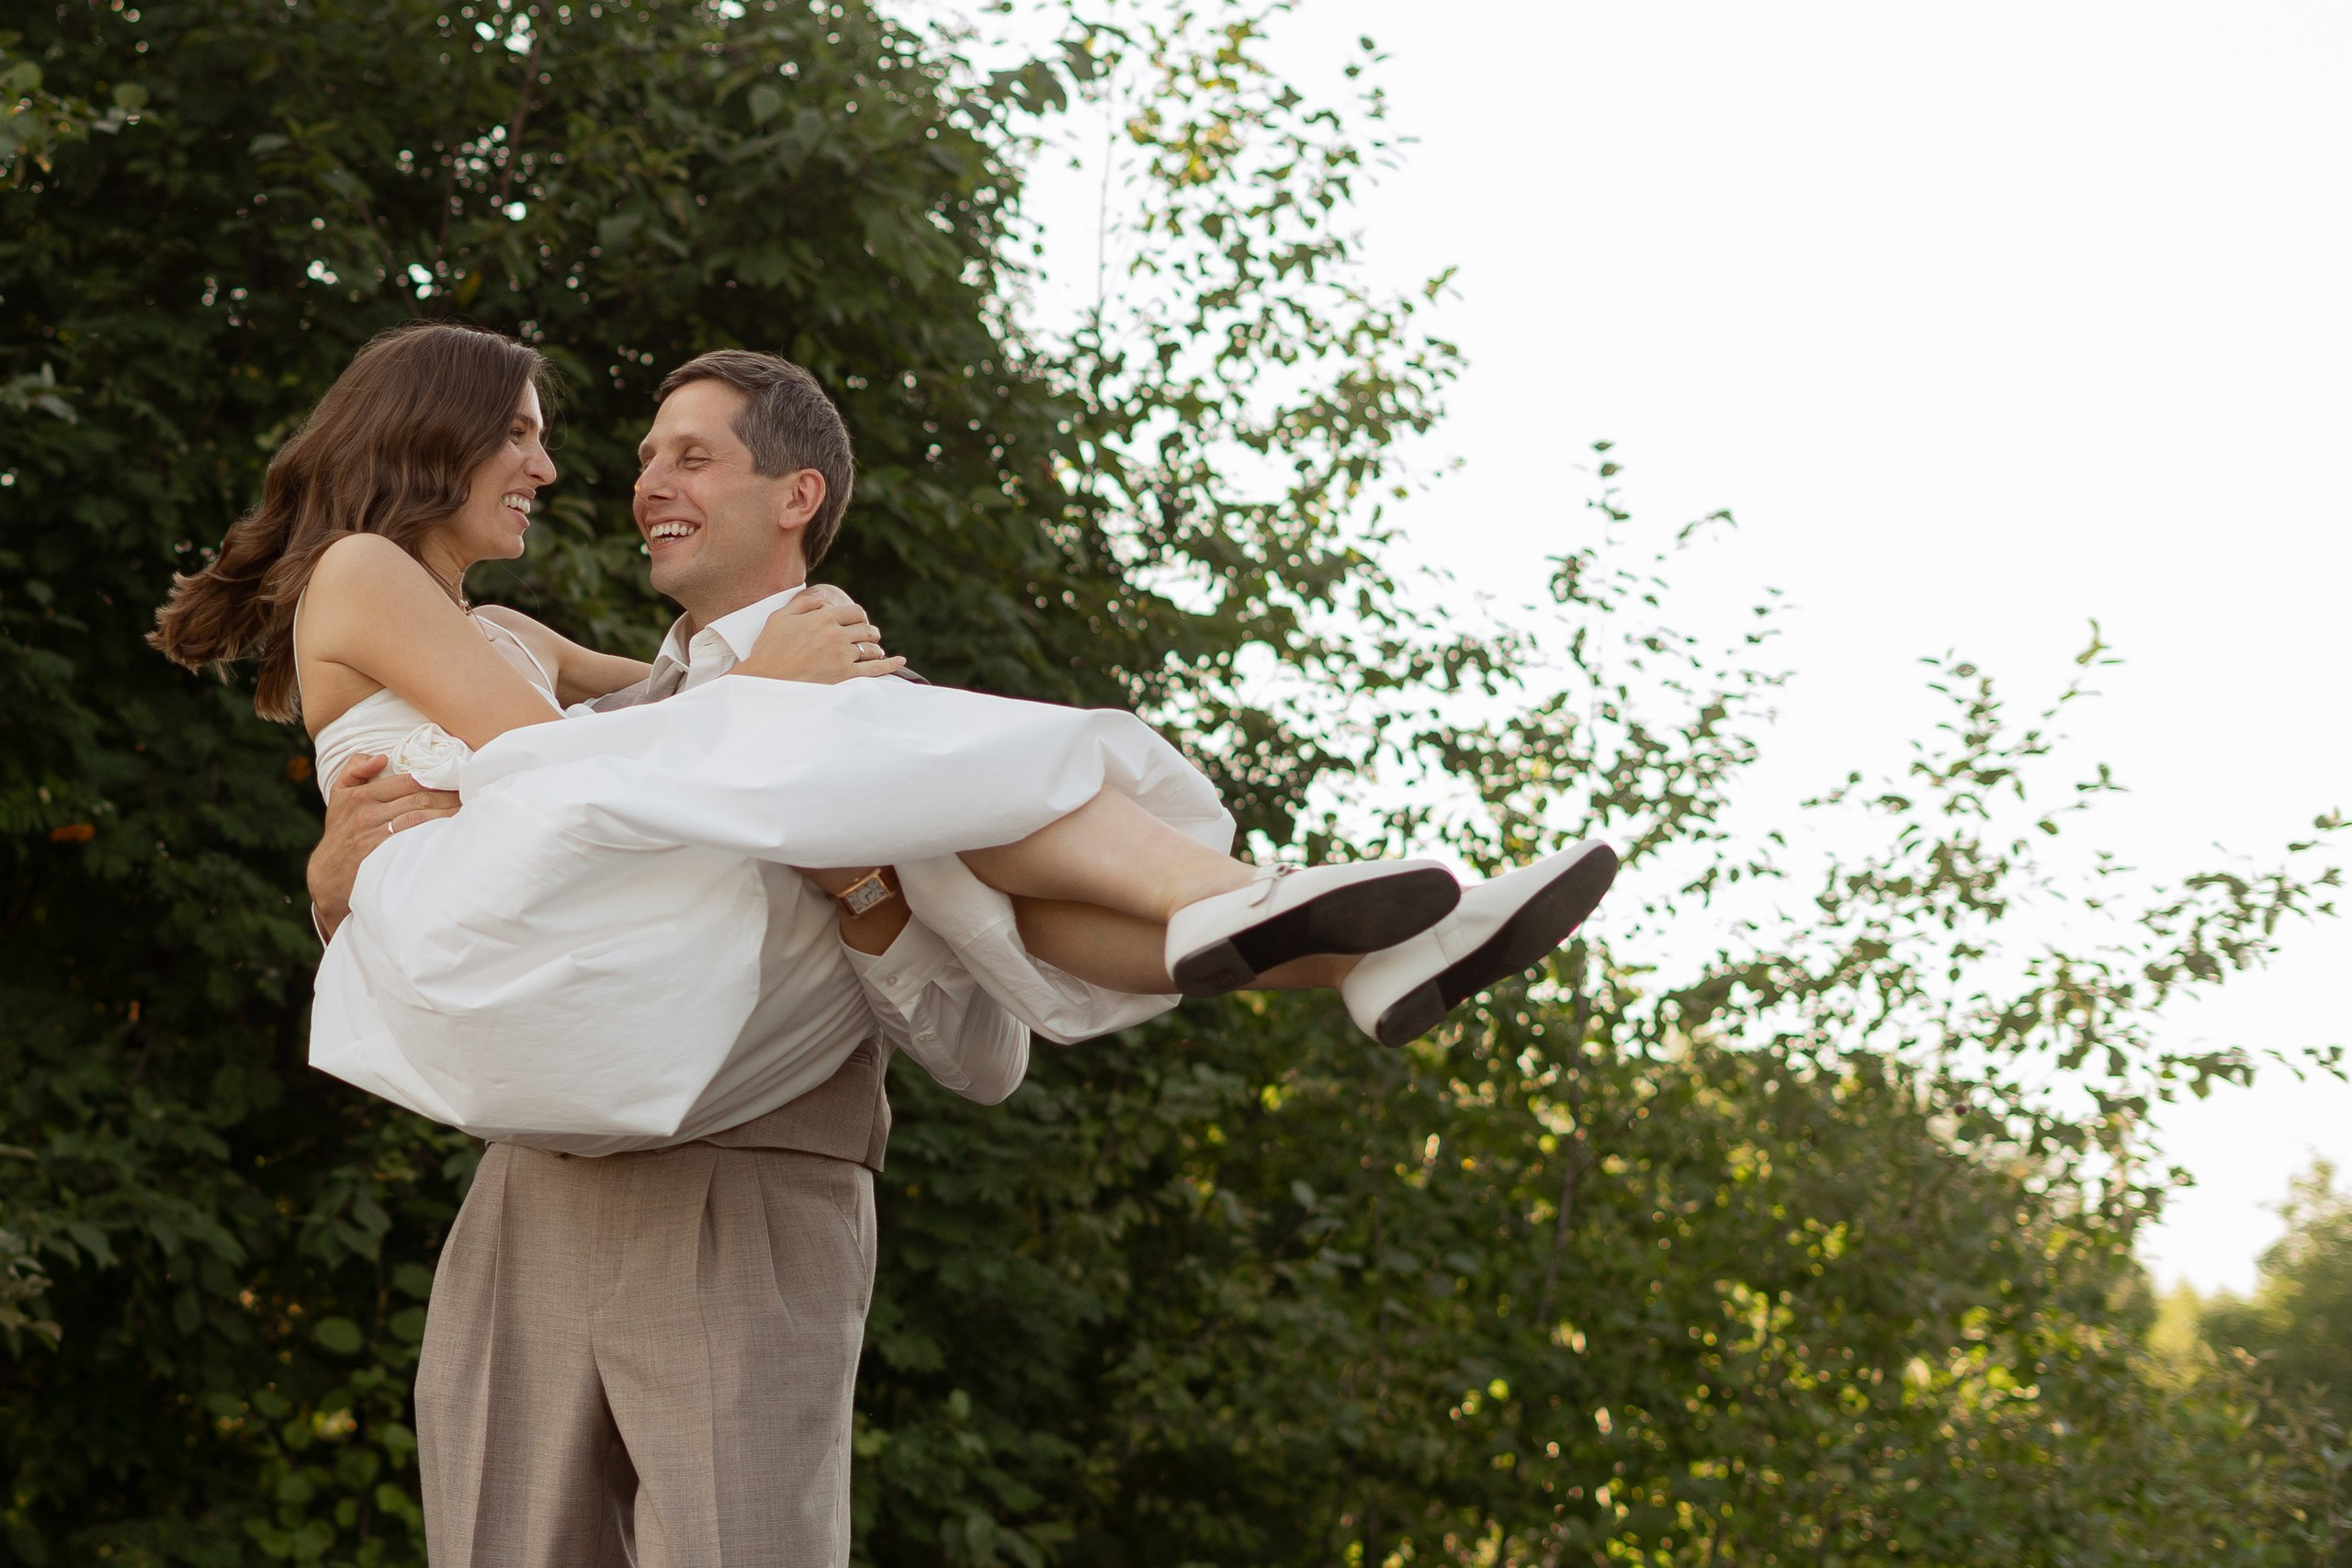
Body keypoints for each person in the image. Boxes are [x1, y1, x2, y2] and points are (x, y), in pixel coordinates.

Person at [154, 321, 1617, 1564]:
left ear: (795, 498)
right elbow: (572, 772)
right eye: (534, 439)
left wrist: (845, 835)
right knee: (927, 766)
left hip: (750, 1179)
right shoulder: (392, 583)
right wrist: (336, 870)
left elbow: (973, 1045)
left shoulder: (587, 645)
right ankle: (1259, 902)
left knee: (934, 796)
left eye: (687, 456)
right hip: (541, 1158)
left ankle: (1346, 941)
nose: (581, 471)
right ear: (435, 440)